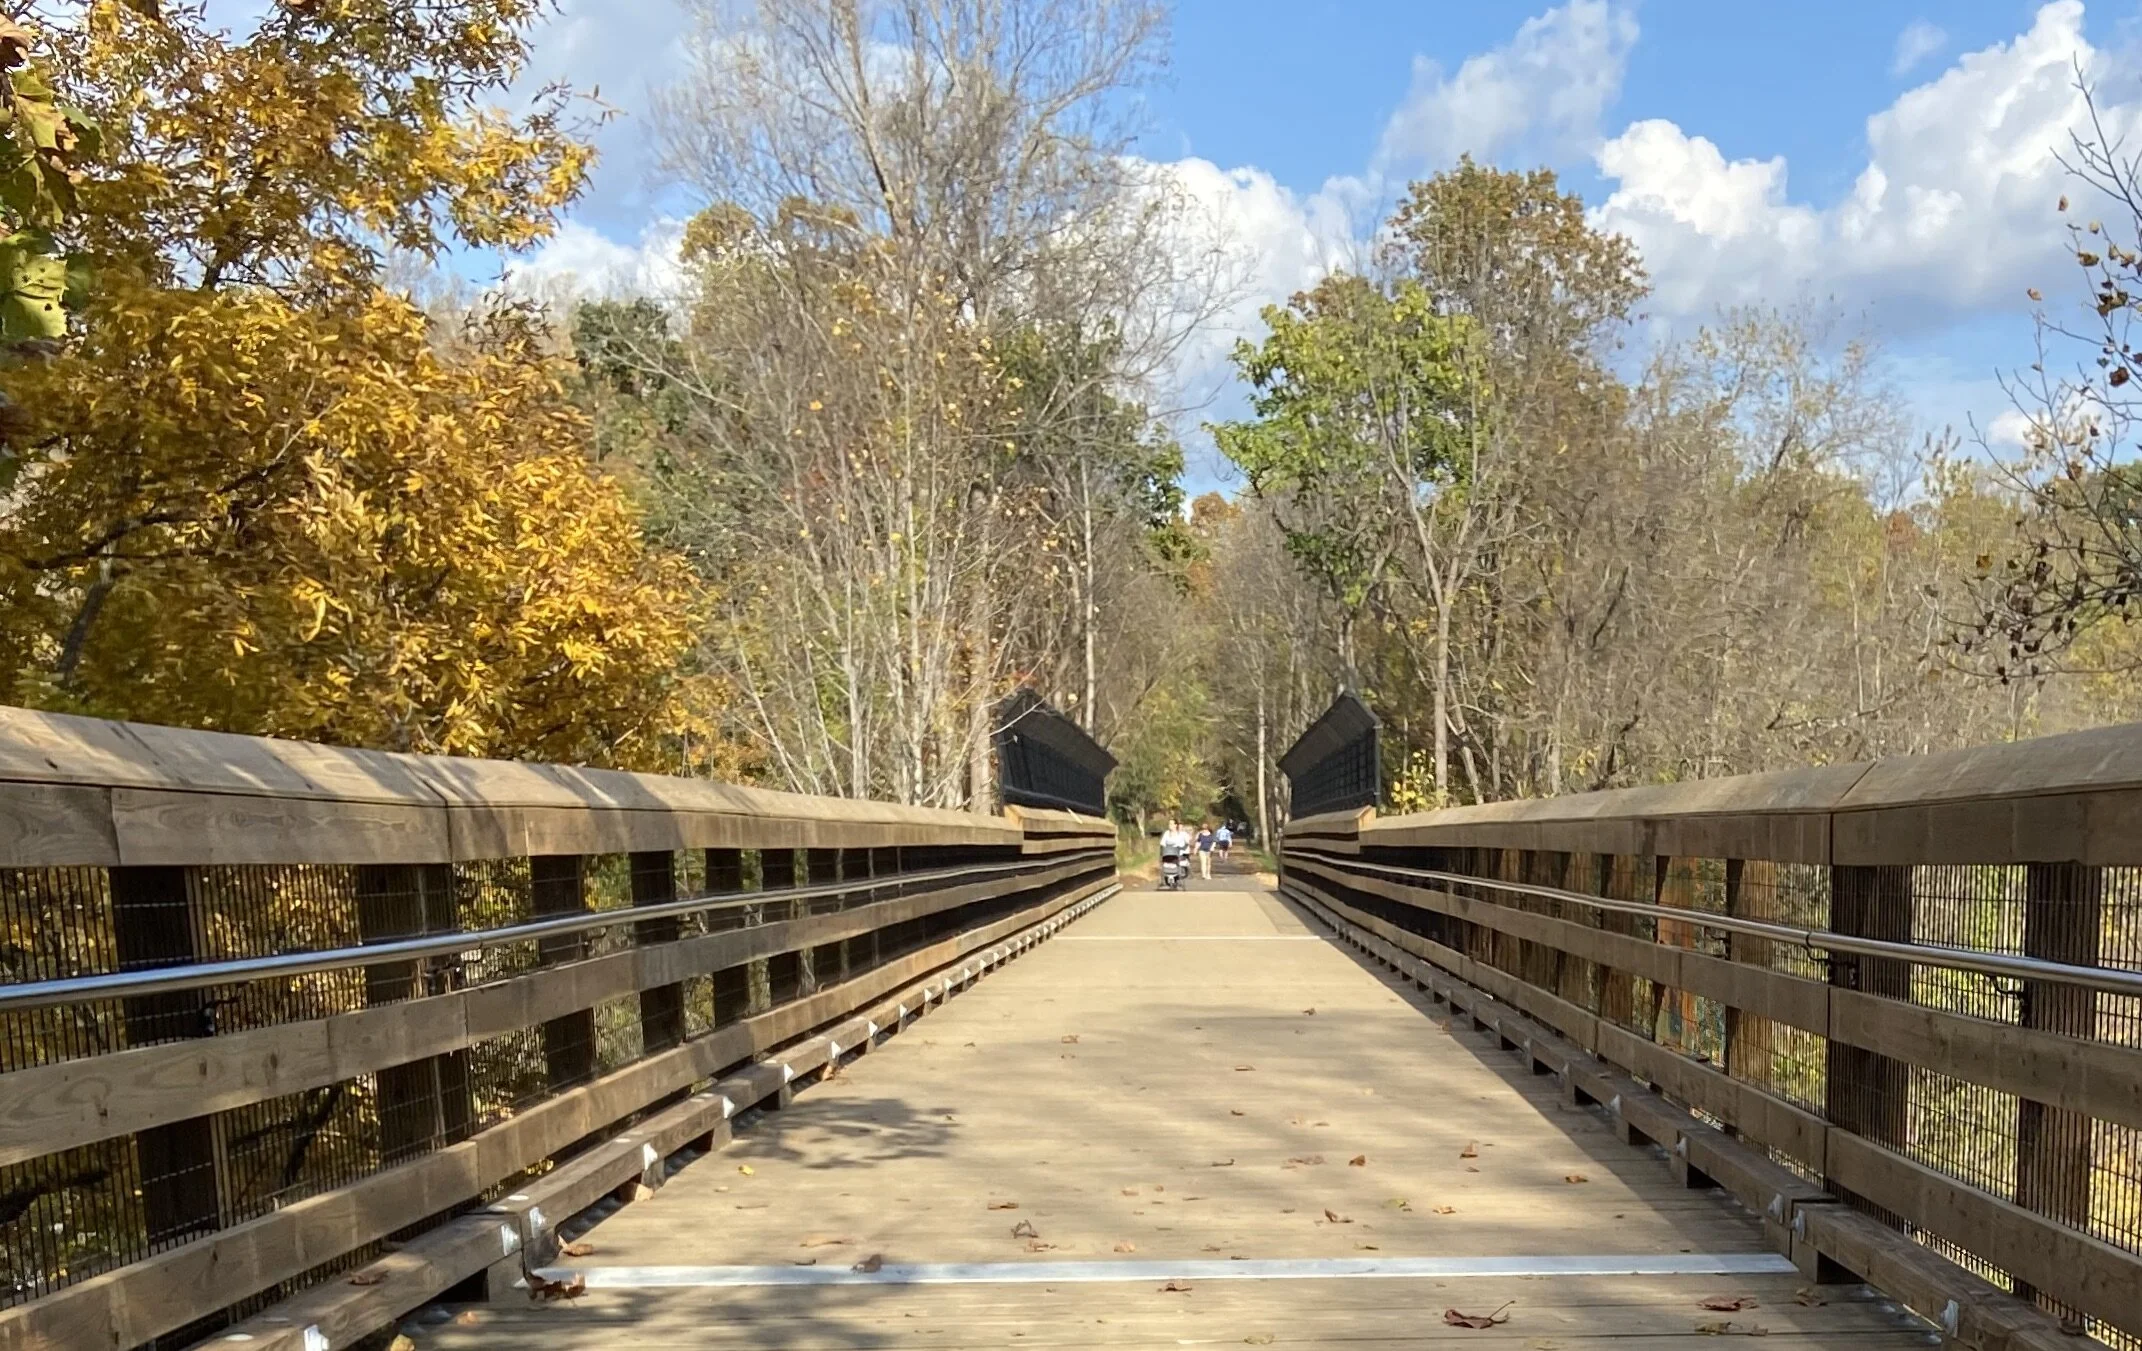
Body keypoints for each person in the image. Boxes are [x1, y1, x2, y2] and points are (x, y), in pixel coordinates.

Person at [1158, 819, 1191, 889]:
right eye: (1169, 824)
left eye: (1171, 824)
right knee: (1164, 863)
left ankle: (1179, 877)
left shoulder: (1180, 834)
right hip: (1167, 853)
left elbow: (1185, 843)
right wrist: (1163, 849)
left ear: (1176, 825)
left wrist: (1182, 846)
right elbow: (1162, 843)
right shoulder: (1166, 833)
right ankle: (1165, 878)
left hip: (1178, 854)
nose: (1170, 825)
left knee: (1180, 863)